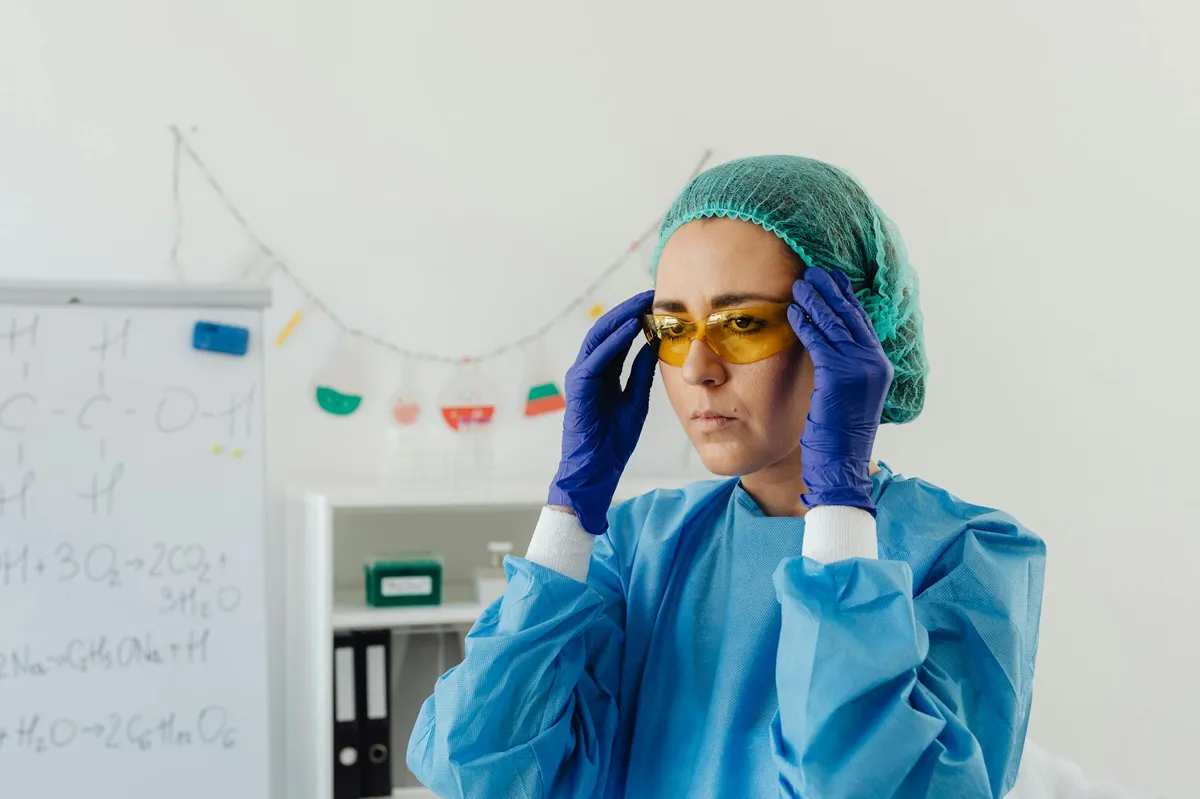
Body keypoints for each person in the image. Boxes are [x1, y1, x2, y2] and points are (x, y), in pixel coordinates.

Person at [407, 155, 1047, 798]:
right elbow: (474, 766)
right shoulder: (639, 542)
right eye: (675, 329)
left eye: (741, 323)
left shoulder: (966, 553)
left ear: (852, 334)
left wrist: (837, 509)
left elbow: (858, 785)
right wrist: (569, 514)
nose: (696, 370)